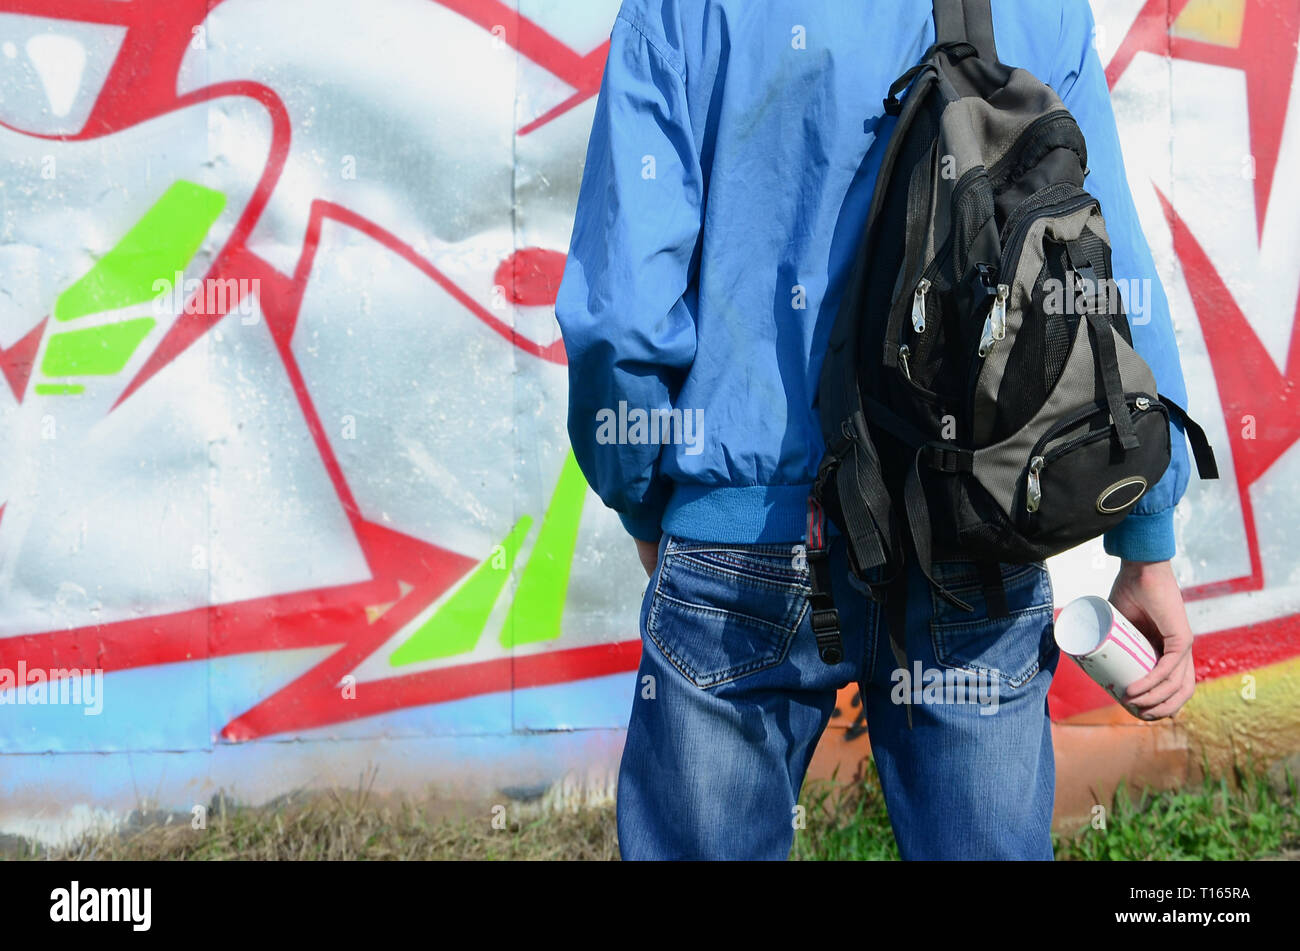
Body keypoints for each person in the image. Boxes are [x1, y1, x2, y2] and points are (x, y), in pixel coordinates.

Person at [554, 0, 1199, 860]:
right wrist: (1144, 536)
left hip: (741, 541)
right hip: (974, 523)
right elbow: (1101, 271)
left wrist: (643, 495)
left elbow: (624, 317)